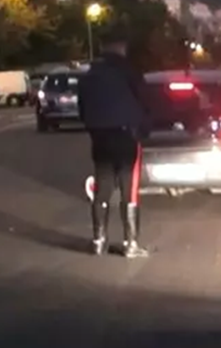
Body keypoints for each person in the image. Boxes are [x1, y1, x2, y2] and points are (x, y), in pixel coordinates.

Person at [78, 30, 149, 258]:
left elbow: (82, 108)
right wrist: (144, 128)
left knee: (103, 186)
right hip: (126, 134)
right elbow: (145, 100)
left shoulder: (90, 75)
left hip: (100, 136)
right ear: (122, 46)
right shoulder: (129, 71)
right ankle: (131, 243)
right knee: (129, 188)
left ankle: (98, 241)